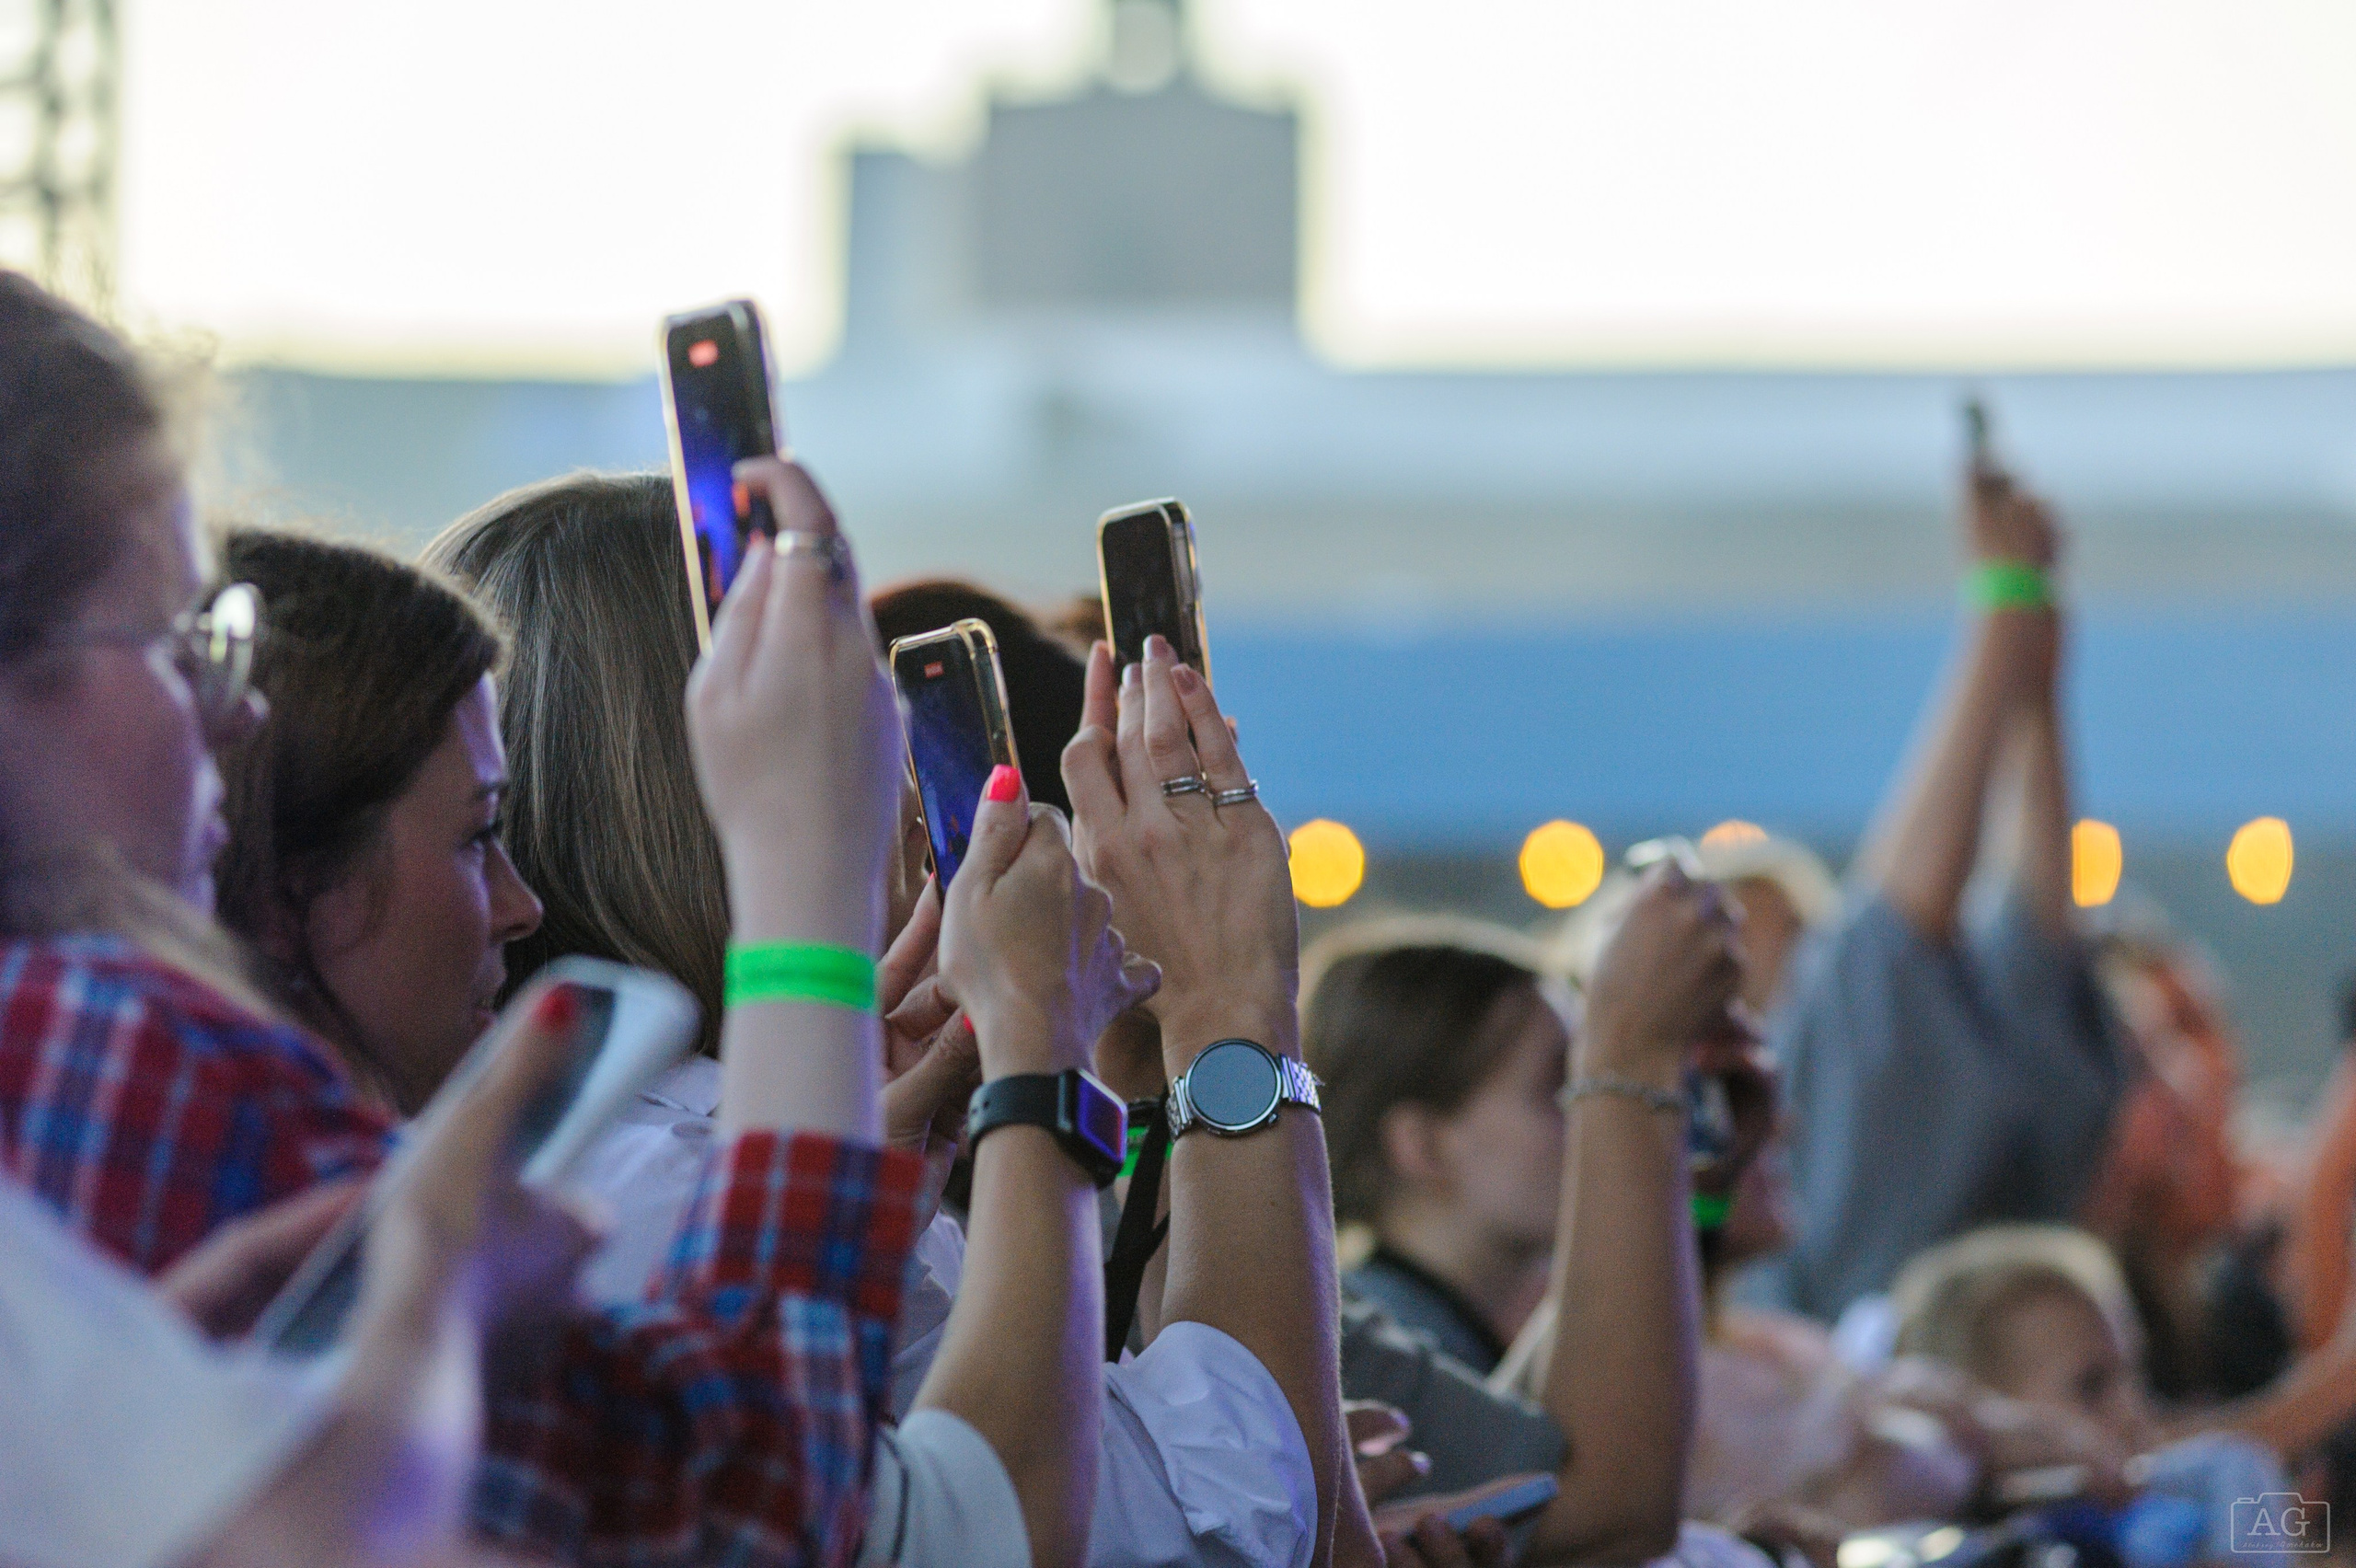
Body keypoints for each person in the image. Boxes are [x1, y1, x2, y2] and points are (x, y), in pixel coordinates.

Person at [0, 271, 931, 1565]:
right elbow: (753, 1507)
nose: (234, 708)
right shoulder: (93, 1046)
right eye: (175, 640)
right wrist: (801, 896)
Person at [432, 474, 1345, 1568]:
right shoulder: (671, 1181)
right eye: (859, 715)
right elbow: (1236, 1527)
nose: (906, 779)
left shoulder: (626, 1147)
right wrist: (1223, 1001)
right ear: (716, 778)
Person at [2, 987, 594, 1568]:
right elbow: (353, 1549)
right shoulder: (147, 1030)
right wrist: (442, 1270)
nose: (522, 910)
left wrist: (141, 1387)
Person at [1743, 440, 2128, 1322]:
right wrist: (2001, 614)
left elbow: (2033, 948)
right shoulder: (1815, 1204)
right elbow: (1894, 942)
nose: (1811, 983)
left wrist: (2033, 669)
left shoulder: (1924, 1138)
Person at [1306, 916, 1568, 1376]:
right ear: (1424, 1147)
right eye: (1556, 1087)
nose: (1596, 1118)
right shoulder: (1380, 1362)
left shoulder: (1433, 1332)